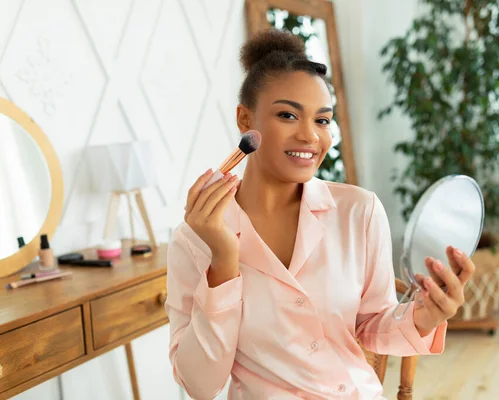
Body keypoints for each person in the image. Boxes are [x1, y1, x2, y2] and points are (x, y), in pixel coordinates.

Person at [165, 29, 475, 400]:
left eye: (323, 120)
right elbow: (200, 385)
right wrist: (223, 263)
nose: (310, 136)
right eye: (287, 115)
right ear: (245, 121)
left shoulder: (359, 211)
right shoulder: (193, 238)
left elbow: (371, 323)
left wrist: (424, 317)